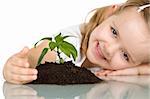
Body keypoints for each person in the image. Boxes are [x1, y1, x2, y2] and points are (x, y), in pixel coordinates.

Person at [3, 0, 150, 84]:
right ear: (109, 14)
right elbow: (42, 55)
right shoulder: (72, 43)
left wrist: (137, 70)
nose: (109, 49)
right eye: (114, 32)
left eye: (125, 55)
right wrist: (20, 65)